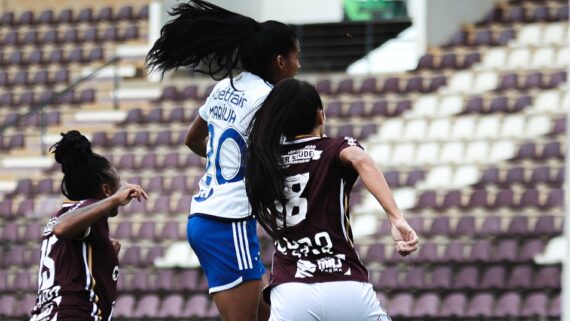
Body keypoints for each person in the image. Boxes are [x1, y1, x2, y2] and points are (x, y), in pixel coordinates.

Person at [145, 1, 300, 321]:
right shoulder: (268, 99)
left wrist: (229, 162)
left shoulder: (225, 87)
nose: (299, 65)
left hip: (205, 214)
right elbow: (279, 158)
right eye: (296, 57)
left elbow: (192, 139)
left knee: (271, 315)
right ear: (280, 60)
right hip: (229, 222)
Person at [245, 78, 419, 321]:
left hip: (292, 291)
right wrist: (395, 217)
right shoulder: (334, 148)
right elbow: (362, 160)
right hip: (344, 282)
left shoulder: (265, 161)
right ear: (321, 115)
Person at [30, 130, 148, 321]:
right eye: (118, 185)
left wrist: (107, 252)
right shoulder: (82, 213)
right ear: (106, 190)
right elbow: (61, 229)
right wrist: (114, 200)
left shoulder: (70, 215)